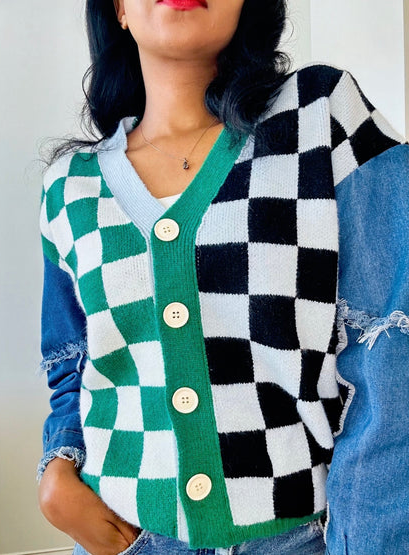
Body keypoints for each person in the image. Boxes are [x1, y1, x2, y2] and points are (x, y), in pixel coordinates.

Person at [37, 0, 409, 554]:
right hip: (126, 538)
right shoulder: (69, 186)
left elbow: (390, 350)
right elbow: (71, 363)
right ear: (117, 8)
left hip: (297, 539)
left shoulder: (321, 117)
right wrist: (58, 469)